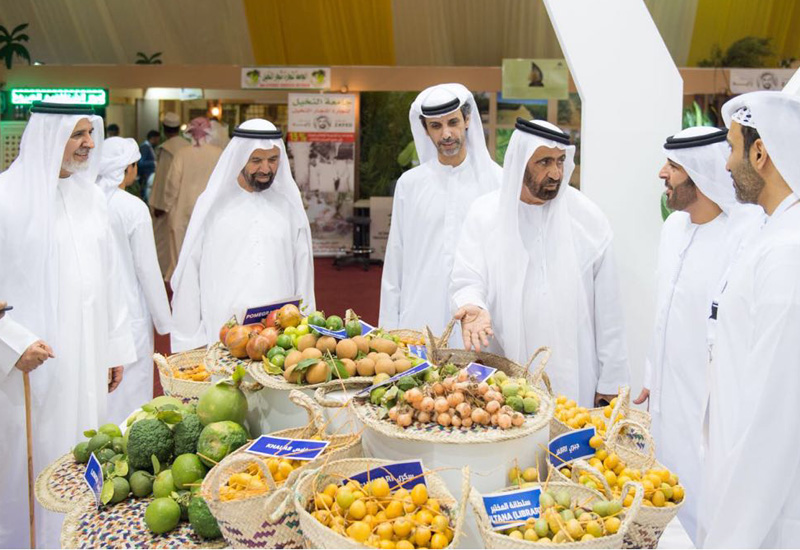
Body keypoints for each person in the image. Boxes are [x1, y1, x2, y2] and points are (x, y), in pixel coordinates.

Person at [0, 100, 134, 547]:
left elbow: (110, 277)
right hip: (30, 367)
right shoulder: (7, 195)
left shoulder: (92, 197)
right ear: (49, 136)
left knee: (82, 449)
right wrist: (11, 343)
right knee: (30, 464)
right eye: (77, 134)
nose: (88, 144)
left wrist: (114, 349)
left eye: (90, 134)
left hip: (88, 354)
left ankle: (75, 539)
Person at [633, 127, 764, 544]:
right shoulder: (674, 228)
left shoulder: (748, 234)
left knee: (707, 503)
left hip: (711, 406)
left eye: (672, 167)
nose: (661, 174)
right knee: (666, 495)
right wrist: (652, 375)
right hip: (666, 400)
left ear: (700, 175)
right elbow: (664, 312)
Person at [451, 118, 629, 407]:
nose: (555, 173)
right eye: (543, 162)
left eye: (560, 161)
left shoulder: (587, 219)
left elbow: (610, 313)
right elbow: (467, 279)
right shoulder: (484, 213)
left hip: (575, 371)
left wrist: (612, 381)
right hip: (505, 368)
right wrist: (474, 306)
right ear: (520, 162)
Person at [700, 91, 800, 548]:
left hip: (765, 511)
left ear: (760, 154)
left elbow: (775, 409)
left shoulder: (787, 250)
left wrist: (734, 536)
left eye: (732, 147)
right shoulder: (771, 231)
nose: (725, 166)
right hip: (739, 475)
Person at [170, 119, 315, 351]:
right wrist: (188, 341)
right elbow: (189, 273)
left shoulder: (289, 207)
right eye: (256, 160)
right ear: (239, 158)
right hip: (223, 329)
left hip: (278, 332)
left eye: (273, 160)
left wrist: (306, 331)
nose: (266, 169)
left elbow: (304, 272)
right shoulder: (212, 206)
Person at [380, 83, 502, 345]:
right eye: (436, 126)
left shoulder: (497, 181)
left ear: (467, 120)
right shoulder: (410, 184)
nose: (446, 133)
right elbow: (395, 260)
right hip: (420, 316)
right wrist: (388, 331)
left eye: (453, 122)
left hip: (480, 322)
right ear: (425, 130)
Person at [96, 137, 173, 425]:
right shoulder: (132, 207)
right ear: (127, 168)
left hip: (91, 309)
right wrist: (166, 323)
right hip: (129, 312)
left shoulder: (85, 201)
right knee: (130, 391)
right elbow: (147, 269)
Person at [162, 117, 223, 281]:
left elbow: (172, 183)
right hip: (211, 211)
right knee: (207, 254)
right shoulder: (219, 154)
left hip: (182, 209)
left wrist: (168, 206)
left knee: (181, 256)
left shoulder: (182, 154)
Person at [149, 112, 190, 280]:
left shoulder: (167, 149)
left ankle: (163, 277)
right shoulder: (187, 146)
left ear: (164, 128)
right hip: (185, 203)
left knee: (163, 244)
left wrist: (160, 205)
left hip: (168, 205)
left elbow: (163, 180)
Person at [138, 129, 160, 199]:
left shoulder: (149, 147)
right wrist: (154, 163)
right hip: (147, 176)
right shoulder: (145, 147)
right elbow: (141, 163)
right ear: (153, 138)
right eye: (157, 139)